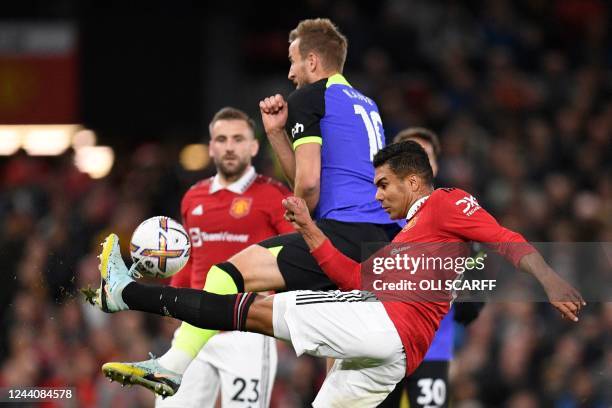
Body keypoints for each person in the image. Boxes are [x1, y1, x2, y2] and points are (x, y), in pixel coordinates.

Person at [89, 141, 585, 407]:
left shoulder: (446, 203)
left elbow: (504, 237)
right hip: (393, 354)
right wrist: (308, 230)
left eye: (386, 185)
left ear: (414, 181)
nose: (379, 195)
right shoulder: (406, 241)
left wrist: (550, 279)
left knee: (248, 311)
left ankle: (125, 293)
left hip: (387, 327)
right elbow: (351, 277)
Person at [101, 17, 397, 396]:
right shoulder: (367, 104)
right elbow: (324, 175)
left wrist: (304, 225)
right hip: (377, 247)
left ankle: (170, 364)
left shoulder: (309, 97)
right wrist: (276, 133)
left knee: (224, 276)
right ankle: (167, 361)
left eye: (292, 61)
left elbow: (307, 183)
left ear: (312, 61)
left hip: (341, 234)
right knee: (339, 380)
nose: (289, 73)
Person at [104, 107, 294, 405]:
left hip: (246, 330)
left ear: (254, 146)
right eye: (221, 139)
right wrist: (175, 302)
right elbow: (188, 257)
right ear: (211, 147)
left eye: (238, 139)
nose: (229, 146)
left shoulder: (275, 195)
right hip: (195, 325)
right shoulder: (194, 197)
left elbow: (293, 254)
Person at [380, 127, 482, 407]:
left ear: (434, 166)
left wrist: (471, 288)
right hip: (380, 346)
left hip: (432, 350)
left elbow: (473, 287)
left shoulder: (456, 214)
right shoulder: (375, 216)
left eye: (425, 157)